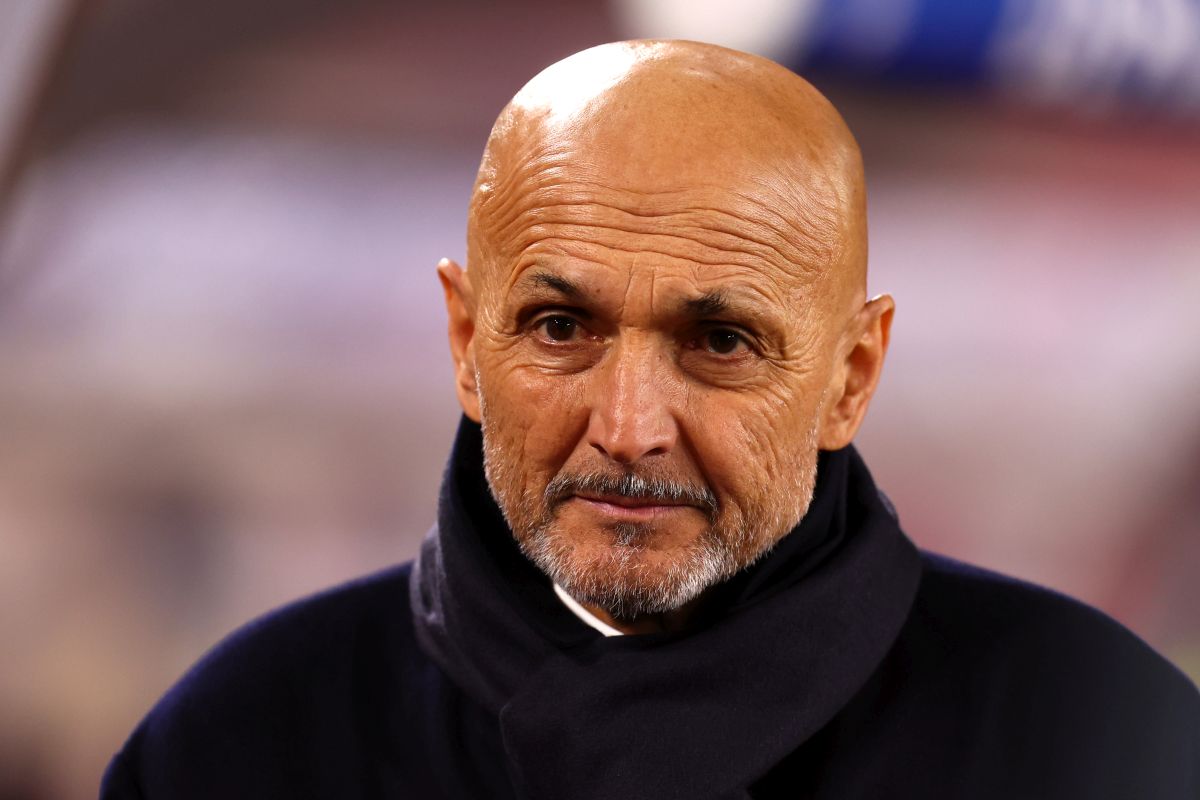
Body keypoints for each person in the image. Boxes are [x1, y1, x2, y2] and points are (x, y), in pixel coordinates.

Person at [101, 40, 1199, 799]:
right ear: (466, 342)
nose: (628, 428)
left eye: (718, 342)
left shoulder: (1101, 737)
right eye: (560, 327)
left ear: (851, 376)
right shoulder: (246, 740)